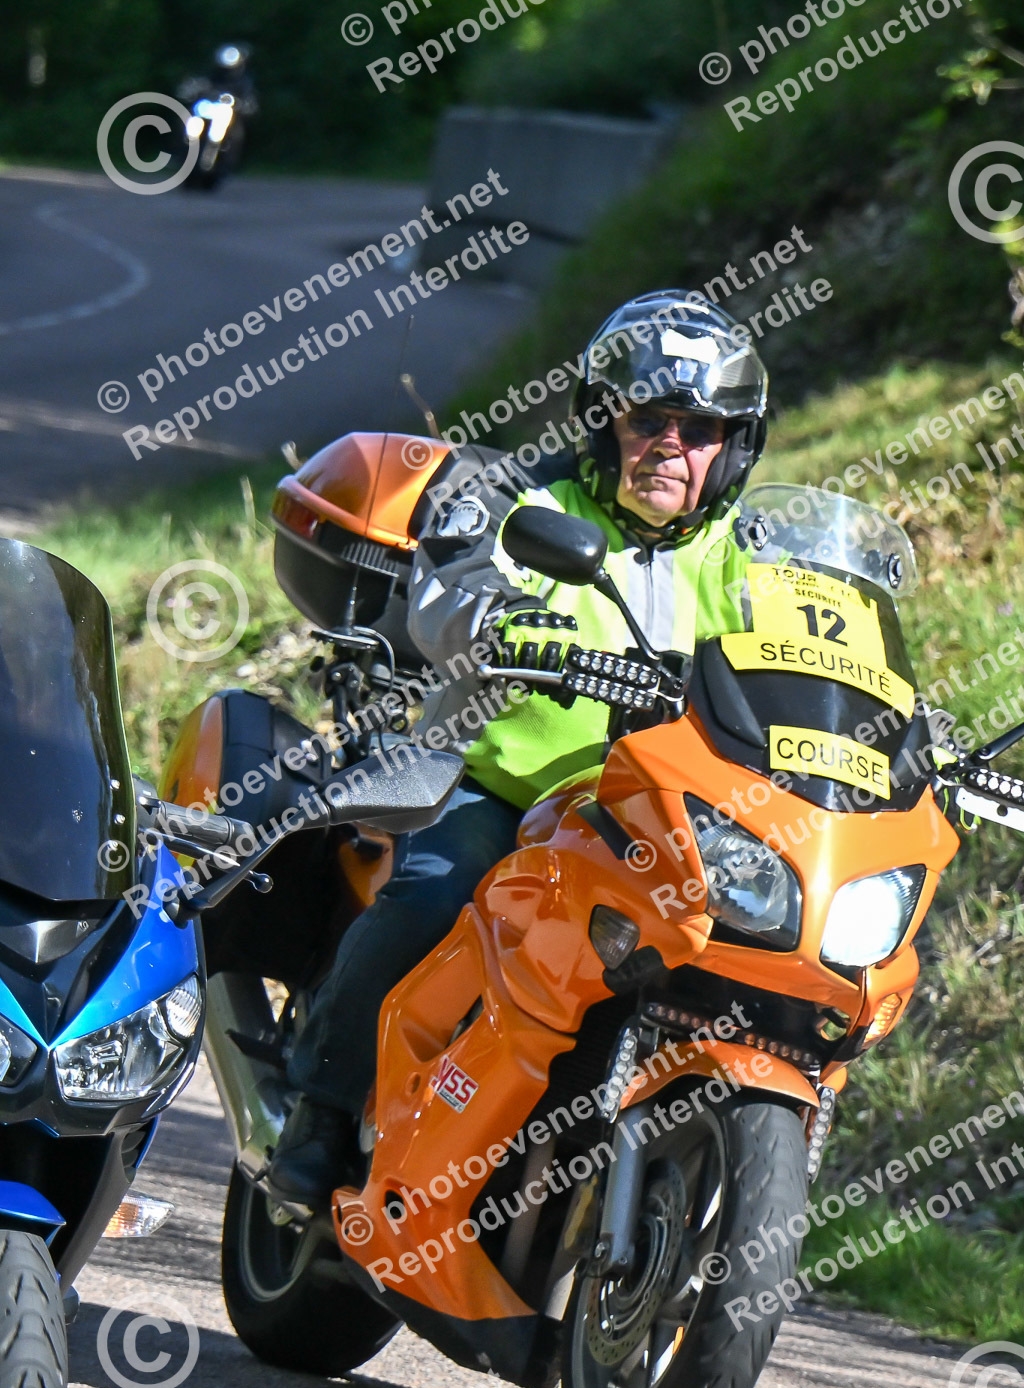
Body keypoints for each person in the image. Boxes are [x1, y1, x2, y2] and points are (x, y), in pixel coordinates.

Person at [266, 290, 771, 1208]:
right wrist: (506, 619)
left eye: (698, 429)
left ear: (733, 447)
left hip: (664, 816)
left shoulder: (754, 558)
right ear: (603, 421)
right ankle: (322, 1110)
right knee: (436, 896)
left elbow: (815, 654)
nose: (669, 446)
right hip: (498, 785)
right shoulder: (515, 499)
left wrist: (896, 723)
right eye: (647, 420)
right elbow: (449, 590)